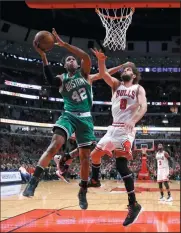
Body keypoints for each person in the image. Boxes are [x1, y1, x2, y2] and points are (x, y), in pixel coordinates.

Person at [22, 29, 125, 210]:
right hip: (68, 115)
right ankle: (33, 182)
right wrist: (43, 56)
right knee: (54, 145)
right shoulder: (62, 79)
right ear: (64, 66)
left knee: (85, 157)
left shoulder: (85, 74)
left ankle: (83, 191)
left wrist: (64, 45)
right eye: (67, 59)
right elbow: (48, 79)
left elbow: (86, 57)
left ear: (77, 65)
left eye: (72, 59)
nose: (70, 59)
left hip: (85, 118)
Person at [87, 49, 147, 226]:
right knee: (94, 156)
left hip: (126, 130)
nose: (125, 71)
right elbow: (104, 74)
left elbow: (143, 107)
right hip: (112, 128)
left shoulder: (138, 88)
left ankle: (133, 204)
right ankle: (96, 180)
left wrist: (134, 120)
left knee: (121, 164)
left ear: (134, 75)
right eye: (125, 69)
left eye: (129, 70)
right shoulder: (115, 85)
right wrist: (101, 61)